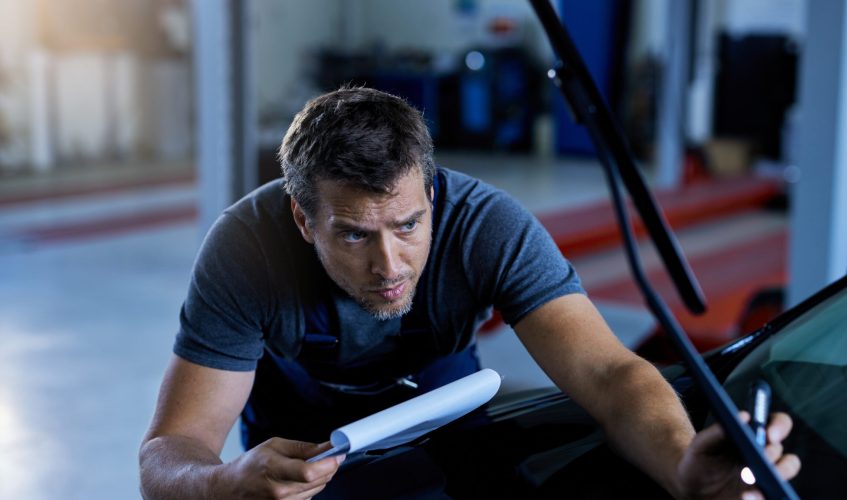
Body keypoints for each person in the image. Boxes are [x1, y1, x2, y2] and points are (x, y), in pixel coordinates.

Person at [139, 86, 799, 499]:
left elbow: (609, 373)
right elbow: (168, 455)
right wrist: (227, 483)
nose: (389, 263)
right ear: (302, 220)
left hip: (442, 396)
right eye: (353, 237)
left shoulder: (488, 224)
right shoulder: (244, 250)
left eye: (408, 225)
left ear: (431, 196)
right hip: (298, 439)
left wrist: (684, 467)